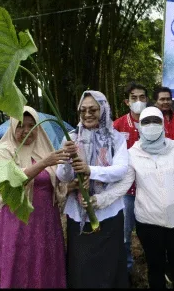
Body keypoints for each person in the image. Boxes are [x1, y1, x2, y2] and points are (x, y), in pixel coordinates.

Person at [85, 107, 174, 289]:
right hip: (148, 221)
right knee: (155, 266)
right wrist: (100, 200)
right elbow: (124, 184)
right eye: (146, 122)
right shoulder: (133, 153)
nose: (151, 125)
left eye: (156, 121)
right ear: (140, 126)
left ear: (163, 124)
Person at [56, 90, 129, 288]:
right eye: (83, 110)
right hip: (78, 214)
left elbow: (121, 170)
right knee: (81, 266)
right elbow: (62, 176)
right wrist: (66, 159)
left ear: (103, 109)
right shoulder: (71, 137)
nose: (88, 114)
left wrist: (91, 170)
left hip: (109, 212)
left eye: (93, 110)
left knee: (109, 264)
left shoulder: (115, 138)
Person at [0, 106, 68, 288]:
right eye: (20, 126)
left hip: (46, 220)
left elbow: (58, 179)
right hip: (16, 219)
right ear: (12, 127)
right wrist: (43, 163)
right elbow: (11, 181)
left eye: (32, 126)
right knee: (19, 262)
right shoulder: (4, 150)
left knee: (44, 262)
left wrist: (75, 181)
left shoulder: (44, 147)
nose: (27, 131)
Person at [112, 81, 148, 282]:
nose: (138, 101)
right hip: (126, 191)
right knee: (125, 233)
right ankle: (126, 269)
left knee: (151, 229)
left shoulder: (154, 122)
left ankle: (155, 264)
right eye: (134, 98)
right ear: (127, 101)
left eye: (142, 97)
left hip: (150, 187)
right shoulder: (117, 126)